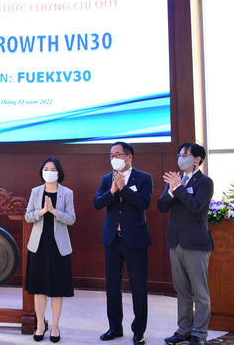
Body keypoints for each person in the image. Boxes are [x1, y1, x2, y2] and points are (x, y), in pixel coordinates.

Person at [93, 141, 152, 345]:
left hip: (136, 241)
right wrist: (112, 191)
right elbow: (97, 203)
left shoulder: (144, 178)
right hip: (112, 239)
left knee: (138, 286)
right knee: (112, 287)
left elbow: (143, 203)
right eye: (111, 155)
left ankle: (139, 331)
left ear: (129, 157)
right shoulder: (106, 178)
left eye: (118, 154)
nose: (114, 158)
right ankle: (115, 328)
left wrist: (124, 189)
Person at [158, 143, 214, 345]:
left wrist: (179, 188)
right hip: (176, 242)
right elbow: (162, 206)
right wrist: (171, 191)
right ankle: (184, 331)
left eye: (185, 155)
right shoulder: (175, 180)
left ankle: (199, 334)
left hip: (196, 244)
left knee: (200, 292)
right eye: (179, 154)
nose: (180, 158)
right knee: (181, 291)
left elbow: (196, 206)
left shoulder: (205, 182)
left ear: (197, 159)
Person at [24, 157, 76, 343]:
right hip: (39, 246)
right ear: (42, 172)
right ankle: (40, 325)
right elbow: (28, 216)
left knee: (57, 289)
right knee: (39, 289)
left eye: (52, 169)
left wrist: (54, 211)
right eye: (46, 169)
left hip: (58, 247)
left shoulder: (67, 193)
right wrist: (42, 211)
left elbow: (71, 219)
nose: (49, 172)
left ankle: (55, 326)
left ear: (59, 173)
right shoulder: (35, 191)